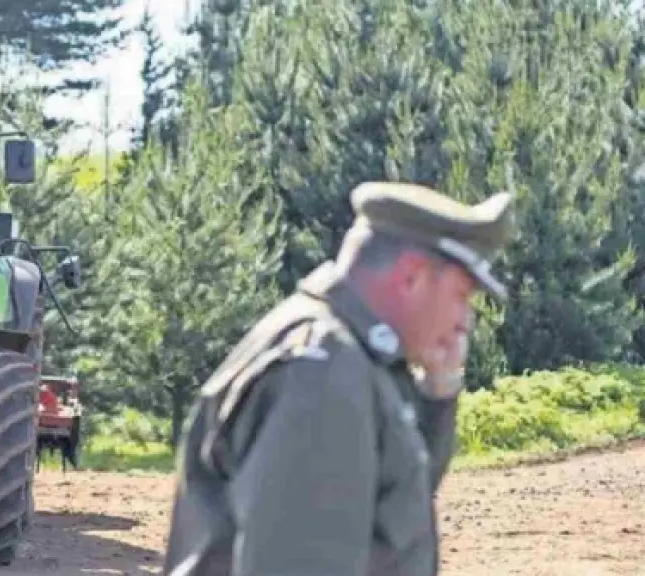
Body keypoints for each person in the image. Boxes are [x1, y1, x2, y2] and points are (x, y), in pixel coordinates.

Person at [161, 181, 515, 576]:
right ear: (411, 277)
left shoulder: (350, 355)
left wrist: (439, 388)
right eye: (461, 296)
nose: (464, 321)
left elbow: (393, 501)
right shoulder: (322, 372)